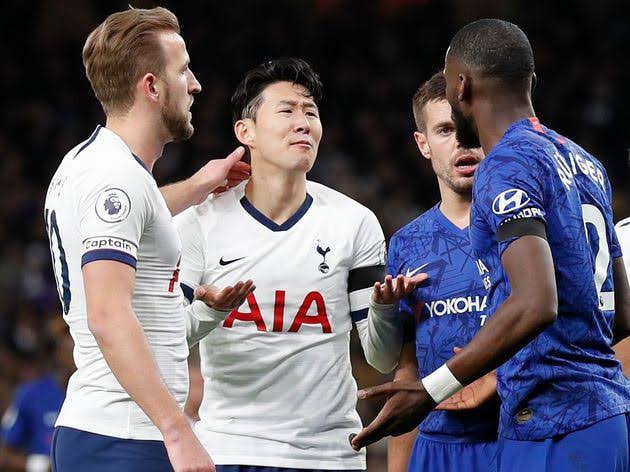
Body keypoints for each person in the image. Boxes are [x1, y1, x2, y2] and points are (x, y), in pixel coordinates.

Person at [351, 19, 630, 472]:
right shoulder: (584, 161)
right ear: (530, 81)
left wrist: (432, 389)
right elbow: (620, 314)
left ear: (460, 86)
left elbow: (536, 303)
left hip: (551, 423)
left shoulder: (505, 164)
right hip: (607, 416)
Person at [174, 57, 425, 472]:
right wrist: (210, 312)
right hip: (232, 450)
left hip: (329, 453)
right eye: (287, 111)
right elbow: (168, 340)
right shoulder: (198, 223)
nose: (303, 123)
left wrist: (382, 308)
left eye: (311, 112)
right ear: (246, 132)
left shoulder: (354, 222)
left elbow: (381, 359)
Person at [44, 7, 252, 471]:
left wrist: (198, 187)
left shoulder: (90, 163)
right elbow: (107, 313)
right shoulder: (114, 178)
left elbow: (137, 211)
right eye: (184, 71)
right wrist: (177, 430)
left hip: (110, 433)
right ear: (152, 87)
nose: (195, 85)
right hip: (124, 436)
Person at [387, 72, 498, 472]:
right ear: (423, 144)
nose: (461, 141)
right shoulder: (406, 244)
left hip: (516, 437)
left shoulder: (525, 227)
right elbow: (408, 368)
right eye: (445, 130)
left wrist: (497, 375)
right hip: (437, 448)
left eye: (468, 126)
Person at [0, 319, 73, 472]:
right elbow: (4, 453)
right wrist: (41, 465)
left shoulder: (104, 393)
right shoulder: (31, 394)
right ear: (58, 352)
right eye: (68, 338)